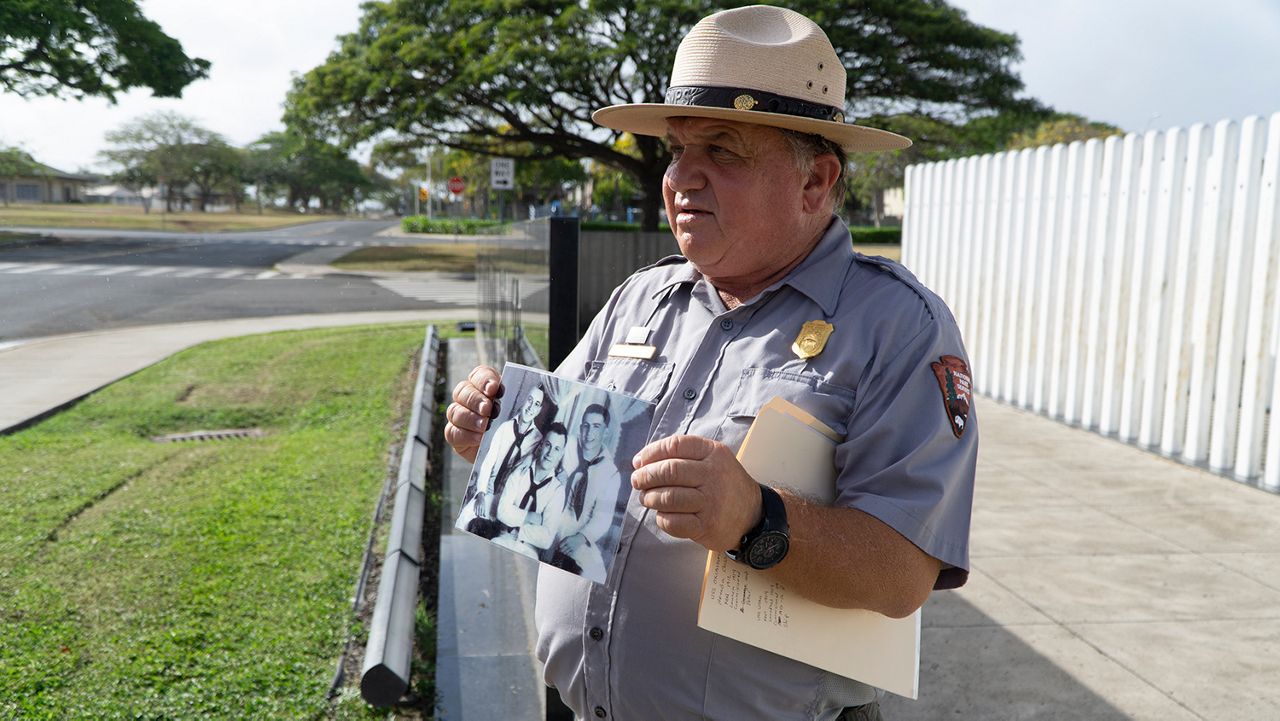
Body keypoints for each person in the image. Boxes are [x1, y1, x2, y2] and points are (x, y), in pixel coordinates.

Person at [444, 6, 977, 720]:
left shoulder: (897, 327)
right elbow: (564, 484)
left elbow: (903, 572)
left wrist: (756, 519)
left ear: (815, 182)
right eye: (677, 150)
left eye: (722, 152)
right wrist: (497, 434)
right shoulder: (641, 297)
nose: (682, 178)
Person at [457, 382, 547, 531]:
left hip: (509, 502)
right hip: (489, 493)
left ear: (539, 410)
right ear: (524, 399)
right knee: (465, 520)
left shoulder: (538, 440)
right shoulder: (505, 428)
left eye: (537, 404)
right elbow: (489, 462)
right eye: (530, 400)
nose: (531, 407)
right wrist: (481, 493)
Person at [550, 403, 623, 580]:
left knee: (597, 574)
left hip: (577, 530)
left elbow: (602, 518)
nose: (589, 433)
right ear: (580, 427)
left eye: (596, 427)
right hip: (550, 516)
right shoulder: (568, 446)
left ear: (606, 432)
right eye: (586, 426)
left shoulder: (611, 472)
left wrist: (581, 537)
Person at [490, 422, 571, 560]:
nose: (550, 453)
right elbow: (502, 512)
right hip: (503, 539)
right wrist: (531, 517)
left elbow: (546, 539)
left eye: (557, 449)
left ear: (561, 454)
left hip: (529, 551)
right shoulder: (521, 471)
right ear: (541, 445)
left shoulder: (557, 491)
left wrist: (518, 529)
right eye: (548, 445)